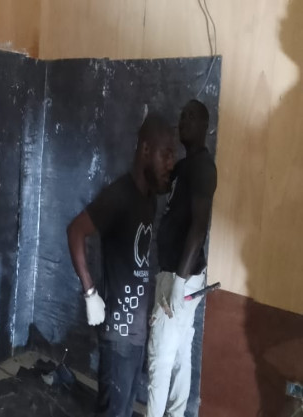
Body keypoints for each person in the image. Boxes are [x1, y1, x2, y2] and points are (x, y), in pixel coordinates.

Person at [67, 114, 175, 417]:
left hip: (136, 334)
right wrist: (90, 293)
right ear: (145, 150)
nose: (171, 164)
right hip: (117, 336)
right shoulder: (119, 195)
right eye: (166, 154)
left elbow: (136, 260)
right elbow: (75, 231)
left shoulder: (149, 200)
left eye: (173, 157)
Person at [147, 99, 217, 417]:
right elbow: (163, 189)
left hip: (181, 276)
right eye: (182, 115)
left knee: (160, 358)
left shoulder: (203, 167)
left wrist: (178, 281)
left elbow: (199, 228)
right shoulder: (186, 167)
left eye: (191, 116)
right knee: (178, 356)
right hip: (181, 274)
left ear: (205, 126)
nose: (184, 120)